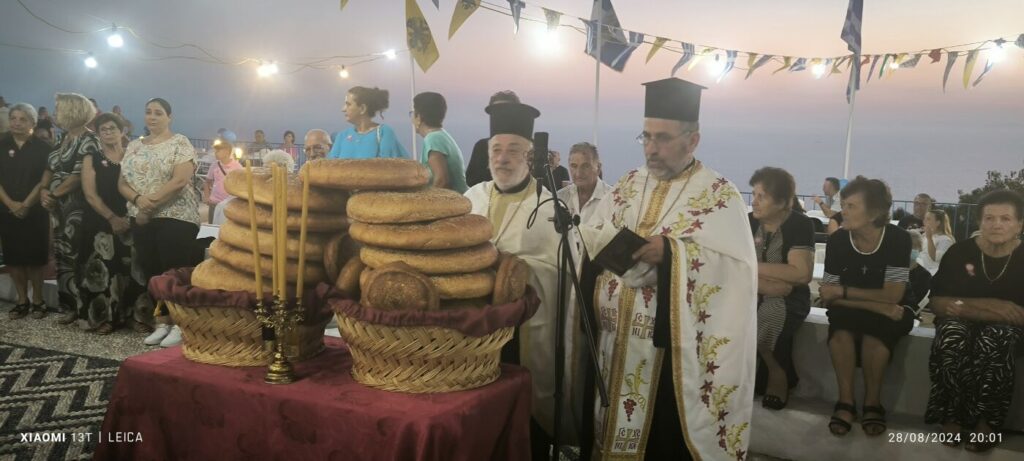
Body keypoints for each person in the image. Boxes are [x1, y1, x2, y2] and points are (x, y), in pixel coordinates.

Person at [575, 78, 757, 460]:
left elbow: (736, 272)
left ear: (693, 141)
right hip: (613, 341)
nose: (651, 148)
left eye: (662, 138)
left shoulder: (719, 195)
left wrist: (672, 254)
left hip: (669, 355)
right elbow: (598, 233)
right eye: (645, 137)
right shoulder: (628, 184)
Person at [464, 101, 561, 459]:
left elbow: (560, 272)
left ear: (530, 156)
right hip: (474, 331)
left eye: (513, 150)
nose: (502, 159)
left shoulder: (549, 206)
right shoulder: (471, 199)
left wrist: (515, 270)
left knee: (523, 424)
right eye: (496, 150)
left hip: (524, 333)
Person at [925, 190, 1024, 453]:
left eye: (1005, 218)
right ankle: (952, 416)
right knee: (951, 333)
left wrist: (967, 307)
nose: (996, 224)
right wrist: (994, 307)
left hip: (1009, 333)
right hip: (962, 324)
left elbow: (1019, 316)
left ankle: (987, 423)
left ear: (1019, 225)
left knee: (996, 337)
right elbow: (937, 303)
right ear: (980, 222)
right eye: (989, 218)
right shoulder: (960, 253)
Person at [818, 176, 916, 437]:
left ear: (874, 213)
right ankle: (846, 402)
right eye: (843, 205)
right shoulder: (838, 241)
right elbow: (827, 295)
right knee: (840, 333)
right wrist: (877, 305)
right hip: (860, 309)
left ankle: (872, 402)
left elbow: (894, 295)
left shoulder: (897, 239)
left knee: (876, 335)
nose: (843, 212)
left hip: (893, 309)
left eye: (851, 206)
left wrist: (843, 291)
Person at [119, 98, 202, 348]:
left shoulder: (180, 143)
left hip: (175, 216)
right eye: (148, 112)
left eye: (158, 113)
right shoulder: (134, 145)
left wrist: (149, 204)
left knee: (173, 272)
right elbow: (122, 183)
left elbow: (180, 180)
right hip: (142, 217)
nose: (152, 117)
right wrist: (138, 200)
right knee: (152, 272)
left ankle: (180, 323)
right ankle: (162, 322)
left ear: (169, 117)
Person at [748, 167, 814, 411]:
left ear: (783, 202)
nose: (754, 201)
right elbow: (732, 266)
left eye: (762, 196)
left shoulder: (800, 224)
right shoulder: (746, 222)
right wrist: (765, 282)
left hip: (791, 295)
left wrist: (751, 266)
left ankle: (777, 373)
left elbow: (800, 274)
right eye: (753, 194)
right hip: (752, 288)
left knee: (771, 312)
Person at [78, 113, 145, 334]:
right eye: (103, 130)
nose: (108, 133)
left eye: (112, 128)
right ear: (98, 134)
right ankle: (103, 318)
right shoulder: (92, 157)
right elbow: (90, 194)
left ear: (122, 131)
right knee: (103, 272)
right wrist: (112, 218)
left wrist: (134, 215)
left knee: (133, 269)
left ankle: (133, 315)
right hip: (101, 220)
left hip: (131, 220)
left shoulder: (133, 156)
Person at [41, 93, 99, 325]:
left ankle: (84, 307)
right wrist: (43, 190)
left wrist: (53, 194)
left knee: (79, 255)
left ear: (72, 111)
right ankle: (69, 306)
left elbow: (77, 177)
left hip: (77, 208)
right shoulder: (62, 138)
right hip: (58, 208)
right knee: (63, 255)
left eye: (58, 109)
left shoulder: (89, 140)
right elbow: (49, 167)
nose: (55, 113)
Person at [1, 103, 52, 319]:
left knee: (34, 258)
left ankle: (38, 301)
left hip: (35, 210)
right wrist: (11, 204)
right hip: (6, 209)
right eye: (13, 118)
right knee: (13, 257)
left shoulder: (44, 148)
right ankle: (22, 301)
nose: (17, 123)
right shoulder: (1, 143)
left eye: (22, 119)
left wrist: (26, 204)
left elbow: (45, 180)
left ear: (33, 122)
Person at [557, 142, 611, 262]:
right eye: (574, 166)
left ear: (598, 168)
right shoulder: (559, 197)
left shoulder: (612, 199)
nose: (578, 173)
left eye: (585, 166)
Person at [327, 87, 408, 159]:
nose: (343, 109)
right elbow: (330, 167)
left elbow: (389, 167)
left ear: (362, 108)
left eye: (348, 104)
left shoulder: (383, 132)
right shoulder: (342, 136)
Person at [413, 91, 468, 193]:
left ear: (419, 117)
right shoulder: (441, 135)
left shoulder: (433, 139)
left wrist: (425, 200)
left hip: (455, 202)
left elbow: (442, 181)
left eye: (412, 114)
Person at [465, 90, 519, 187]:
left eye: (506, 109)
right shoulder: (482, 146)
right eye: (496, 110)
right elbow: (471, 181)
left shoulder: (529, 147)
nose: (501, 114)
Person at [204, 138, 242, 223]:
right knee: (212, 227)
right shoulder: (214, 165)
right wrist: (207, 197)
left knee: (228, 226)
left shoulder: (237, 167)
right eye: (215, 151)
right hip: (214, 202)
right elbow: (207, 182)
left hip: (230, 203)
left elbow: (241, 186)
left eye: (218, 151)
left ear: (227, 152)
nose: (215, 153)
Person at [918, 209, 955, 275]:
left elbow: (935, 257)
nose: (924, 221)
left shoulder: (945, 240)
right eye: (924, 218)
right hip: (920, 271)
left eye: (928, 219)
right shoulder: (924, 236)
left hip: (932, 274)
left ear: (938, 223)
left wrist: (929, 238)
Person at [907, 231, 932, 310]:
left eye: (914, 246)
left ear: (920, 249)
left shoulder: (924, 275)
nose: (910, 249)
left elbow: (917, 302)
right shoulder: (894, 269)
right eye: (908, 246)